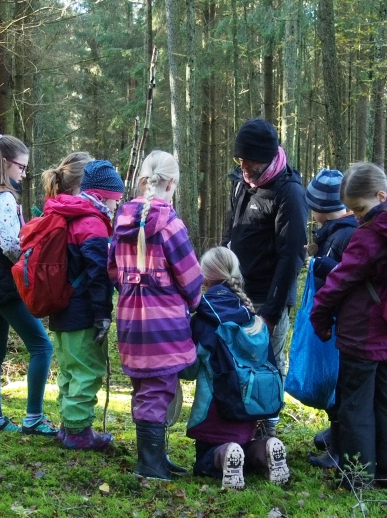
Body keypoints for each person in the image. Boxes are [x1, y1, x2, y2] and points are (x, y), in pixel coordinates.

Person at [309, 162, 387, 490]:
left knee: (355, 405)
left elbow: (339, 281)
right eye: (352, 209)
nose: (356, 216)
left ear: (381, 195)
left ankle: (357, 478)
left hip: (363, 334)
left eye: (359, 208)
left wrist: (319, 315)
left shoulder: (370, 235)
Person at [109, 150, 203, 481]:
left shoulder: (122, 221)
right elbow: (190, 277)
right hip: (163, 322)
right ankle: (149, 464)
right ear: (172, 183)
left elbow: (113, 271)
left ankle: (158, 459)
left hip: (131, 319)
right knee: (158, 389)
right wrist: (194, 303)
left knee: (145, 387)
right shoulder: (170, 225)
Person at [0, 132, 58, 437]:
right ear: (6, 163)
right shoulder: (3, 197)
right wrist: (33, 257)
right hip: (6, 283)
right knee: (42, 346)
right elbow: (9, 245)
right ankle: (33, 417)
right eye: (21, 166)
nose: (24, 172)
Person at [223, 118, 308, 438]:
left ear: (269, 157)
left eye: (249, 160)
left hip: (267, 298)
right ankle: (240, 424)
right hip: (236, 293)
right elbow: (229, 234)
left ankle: (266, 429)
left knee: (269, 364)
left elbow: (291, 257)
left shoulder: (289, 192)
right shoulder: (241, 183)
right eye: (239, 159)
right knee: (237, 361)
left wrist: (272, 311)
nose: (243, 165)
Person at [182, 247, 290, 490]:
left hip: (212, 413)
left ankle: (223, 454)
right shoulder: (253, 319)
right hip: (250, 411)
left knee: (204, 463)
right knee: (243, 451)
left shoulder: (203, 319)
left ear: (205, 278)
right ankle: (264, 450)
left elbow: (188, 371)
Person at [42, 154, 121, 450]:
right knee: (87, 370)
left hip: (61, 310)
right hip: (82, 312)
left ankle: (68, 425)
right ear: (103, 196)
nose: (116, 207)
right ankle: (78, 432)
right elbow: (98, 275)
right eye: (115, 200)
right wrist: (103, 314)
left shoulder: (68, 214)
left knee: (69, 371)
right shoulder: (92, 223)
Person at [303, 168, 358, 470]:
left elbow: (345, 276)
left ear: (321, 208)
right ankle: (334, 432)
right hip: (336, 320)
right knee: (333, 380)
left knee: (338, 382)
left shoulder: (343, 235)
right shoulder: (335, 232)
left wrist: (323, 264)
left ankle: (338, 448)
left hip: (340, 322)